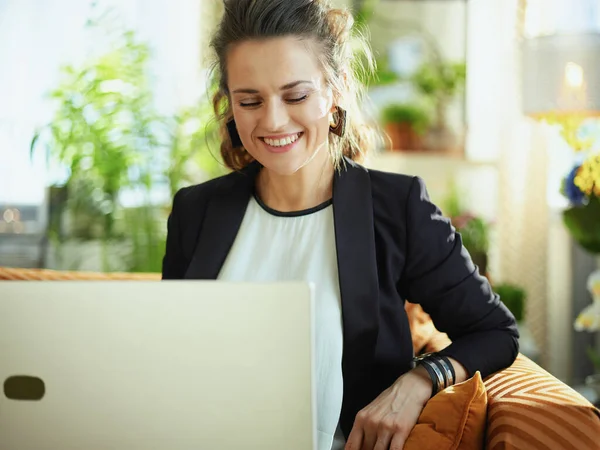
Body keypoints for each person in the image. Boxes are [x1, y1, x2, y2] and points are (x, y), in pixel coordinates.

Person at [162, 1, 520, 449]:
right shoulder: (196, 212)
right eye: (250, 100)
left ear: (336, 90)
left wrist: (419, 380)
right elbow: (172, 357)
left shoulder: (396, 207)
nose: (273, 121)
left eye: (296, 96)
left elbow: (495, 332)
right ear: (228, 105)